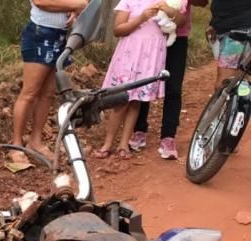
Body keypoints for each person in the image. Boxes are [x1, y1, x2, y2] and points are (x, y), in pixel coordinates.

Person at [95, 1, 186, 159]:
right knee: (121, 101)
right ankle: (108, 143)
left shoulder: (167, 1)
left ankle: (124, 143)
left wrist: (168, 10)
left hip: (151, 57)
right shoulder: (129, 1)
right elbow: (118, 29)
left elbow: (181, 21)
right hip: (130, 54)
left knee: (137, 99)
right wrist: (141, 18)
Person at [10, 0, 89, 165]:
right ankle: (16, 145)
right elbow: (41, 2)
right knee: (30, 92)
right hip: (40, 34)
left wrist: (74, 12)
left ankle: (35, 141)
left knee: (47, 94)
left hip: (59, 36)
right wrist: (75, 6)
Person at [131, 1, 203, 160]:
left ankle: (168, 137)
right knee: (145, 82)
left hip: (178, 37)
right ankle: (139, 129)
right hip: (147, 35)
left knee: (174, 86)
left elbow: (202, 3)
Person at [204, 0, 251, 89]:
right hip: (234, 27)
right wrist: (214, 23)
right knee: (243, 79)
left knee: (224, 85)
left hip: (238, 32)